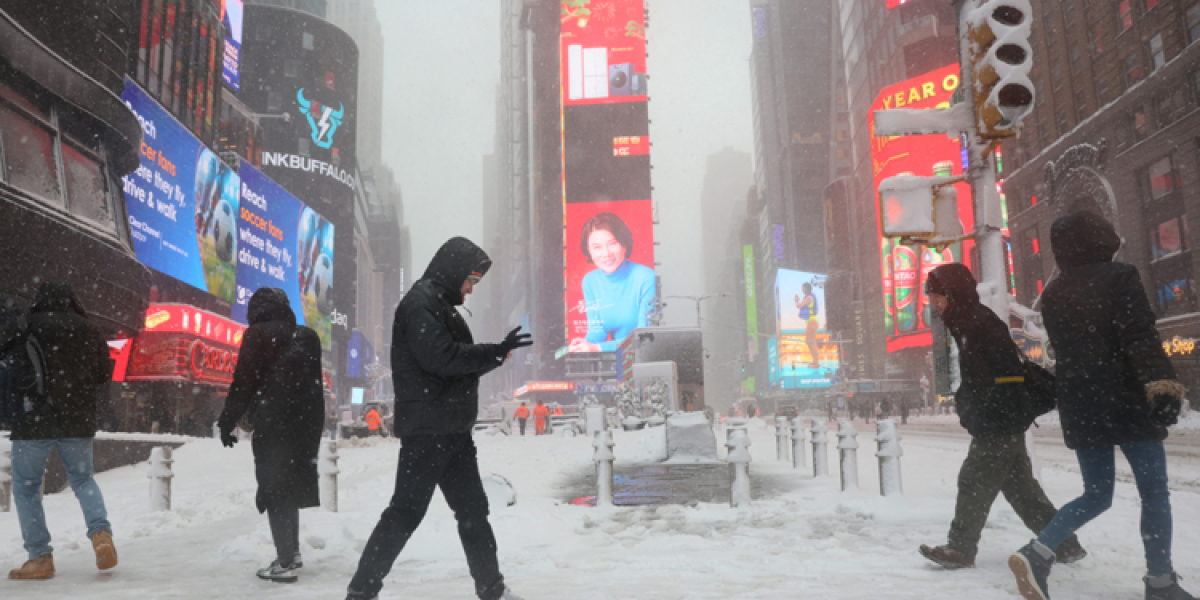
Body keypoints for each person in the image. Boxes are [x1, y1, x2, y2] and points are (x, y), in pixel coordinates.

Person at [1009, 213, 1194, 600]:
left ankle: (1038, 552)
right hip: (1126, 399)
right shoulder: (1121, 277)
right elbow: (1139, 335)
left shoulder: (1055, 293)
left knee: (1096, 493)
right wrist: (1161, 386)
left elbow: (1067, 350)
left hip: (1082, 403)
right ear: (1101, 239)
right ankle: (1160, 582)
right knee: (1154, 493)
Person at [345, 237, 531, 600]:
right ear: (453, 271)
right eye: (470, 280)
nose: (470, 289)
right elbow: (441, 359)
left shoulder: (440, 305)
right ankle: (360, 593)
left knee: (473, 511)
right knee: (406, 512)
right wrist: (492, 353)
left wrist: (492, 356)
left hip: (452, 431)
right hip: (430, 432)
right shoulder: (420, 305)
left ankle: (492, 589)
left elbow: (450, 361)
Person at [917, 264, 1086, 571]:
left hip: (998, 420)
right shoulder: (966, 320)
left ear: (951, 293)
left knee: (974, 479)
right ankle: (1064, 544)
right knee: (1021, 487)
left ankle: (960, 548)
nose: (934, 302)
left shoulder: (976, 322)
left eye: (936, 295)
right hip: (1002, 417)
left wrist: (981, 409)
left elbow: (1004, 376)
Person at [3, 282, 118, 580]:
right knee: (83, 480)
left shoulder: (26, 324)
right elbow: (105, 373)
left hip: (33, 420)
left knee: (27, 488)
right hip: (77, 421)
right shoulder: (89, 329)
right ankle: (101, 535)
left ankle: (40, 556)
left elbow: (12, 367)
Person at [218, 288, 324, 584]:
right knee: (291, 484)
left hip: (276, 422)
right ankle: (293, 552)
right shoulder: (308, 336)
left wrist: (227, 421)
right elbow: (314, 384)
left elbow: (243, 382)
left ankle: (285, 562)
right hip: (307, 423)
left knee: (275, 488)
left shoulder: (258, 335)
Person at [569, 213, 656, 353]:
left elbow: (644, 340)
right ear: (589, 251)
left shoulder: (645, 277)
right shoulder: (590, 281)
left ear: (624, 245)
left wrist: (596, 348)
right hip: (616, 361)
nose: (606, 253)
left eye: (613, 243)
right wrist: (583, 345)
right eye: (597, 247)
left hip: (643, 360)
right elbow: (597, 332)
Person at [795, 282, 821, 368]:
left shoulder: (809, 297)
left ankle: (816, 363)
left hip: (812, 322)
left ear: (806, 289)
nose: (802, 290)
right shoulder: (809, 297)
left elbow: (798, 305)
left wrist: (796, 300)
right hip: (811, 322)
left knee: (811, 342)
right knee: (810, 342)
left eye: (802, 288)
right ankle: (815, 362)